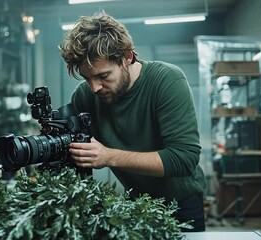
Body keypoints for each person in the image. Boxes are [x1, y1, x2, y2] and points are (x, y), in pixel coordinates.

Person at [59, 12, 206, 232]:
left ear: (127, 57)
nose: (94, 87)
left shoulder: (167, 80)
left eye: (103, 76)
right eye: (87, 78)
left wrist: (108, 156)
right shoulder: (84, 96)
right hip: (135, 203)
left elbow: (184, 158)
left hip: (181, 204)